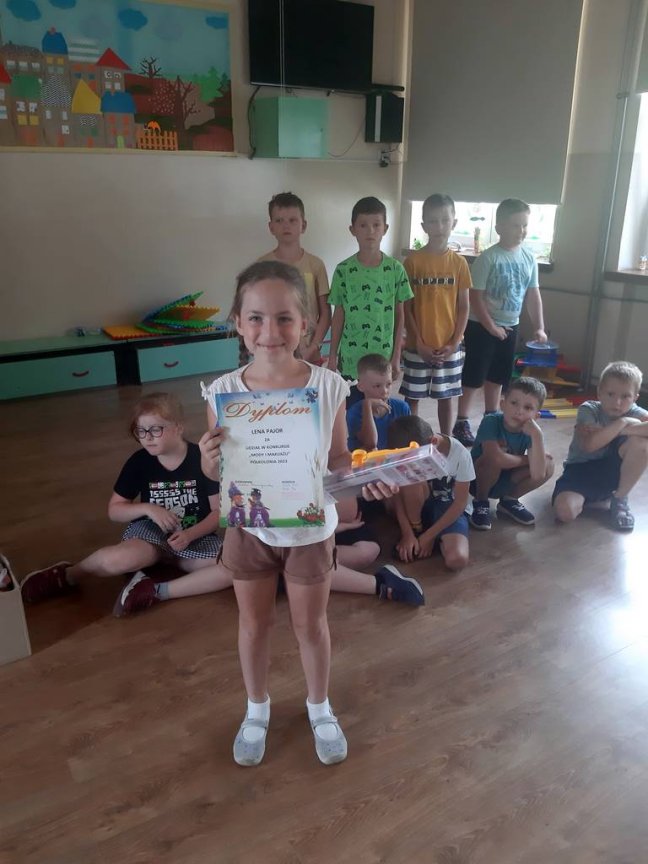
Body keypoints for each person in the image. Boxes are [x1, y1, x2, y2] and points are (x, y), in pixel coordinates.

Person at [199, 260, 398, 768]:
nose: (270, 331)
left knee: (311, 626)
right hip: (250, 528)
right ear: (238, 324)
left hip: (310, 529)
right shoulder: (222, 393)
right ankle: (256, 709)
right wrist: (208, 459)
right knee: (254, 624)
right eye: (256, 318)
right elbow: (215, 469)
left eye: (284, 318)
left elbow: (339, 457)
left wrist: (363, 477)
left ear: (305, 323)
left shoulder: (329, 387)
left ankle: (319, 706)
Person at [20, 393, 232, 613]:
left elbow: (219, 512)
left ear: (179, 427)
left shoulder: (203, 459)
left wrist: (190, 535)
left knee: (235, 566)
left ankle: (154, 591)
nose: (147, 437)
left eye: (155, 429)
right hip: (150, 535)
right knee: (121, 558)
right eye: (140, 431)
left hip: (194, 537)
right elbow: (115, 511)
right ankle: (68, 575)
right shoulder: (139, 462)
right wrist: (148, 508)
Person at [110, 495, 424, 616]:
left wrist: (338, 526)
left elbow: (344, 503)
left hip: (326, 524)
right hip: (288, 524)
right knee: (246, 566)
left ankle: (380, 582)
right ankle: (155, 590)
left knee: (363, 553)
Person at [453, 198, 547, 447]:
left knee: (498, 376)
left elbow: (533, 294)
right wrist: (491, 327)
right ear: (499, 228)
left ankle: (491, 418)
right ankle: (461, 421)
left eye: (524, 225)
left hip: (510, 326)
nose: (521, 230)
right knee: (474, 376)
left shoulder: (529, 258)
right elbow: (475, 296)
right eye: (515, 225)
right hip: (481, 326)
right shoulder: (489, 258)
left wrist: (539, 326)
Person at [327, 196, 413, 401]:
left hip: (382, 358)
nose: (370, 231)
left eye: (376, 225)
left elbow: (400, 315)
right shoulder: (343, 270)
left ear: (385, 228)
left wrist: (396, 356)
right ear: (353, 229)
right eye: (363, 225)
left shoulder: (395, 269)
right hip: (351, 359)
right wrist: (332, 355)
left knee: (379, 410)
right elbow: (339, 314)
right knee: (351, 410)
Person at [400, 194, 471, 435]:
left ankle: (446, 439)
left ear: (454, 223)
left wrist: (454, 342)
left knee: (446, 396)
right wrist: (418, 341)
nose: (439, 226)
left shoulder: (459, 264)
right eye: (432, 221)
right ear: (424, 226)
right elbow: (407, 307)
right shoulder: (412, 262)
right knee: (412, 397)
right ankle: (410, 439)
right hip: (417, 346)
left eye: (444, 220)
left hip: (449, 346)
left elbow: (464, 307)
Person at [553, 360, 648, 532]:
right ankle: (596, 496)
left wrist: (617, 430)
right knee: (565, 512)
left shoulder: (635, 411)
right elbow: (590, 446)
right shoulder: (589, 409)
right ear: (599, 392)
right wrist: (623, 422)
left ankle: (620, 498)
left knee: (642, 443)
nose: (617, 402)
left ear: (635, 398)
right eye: (610, 394)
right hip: (581, 470)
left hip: (613, 471)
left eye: (625, 396)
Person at [386, 415, 473, 570]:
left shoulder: (461, 455)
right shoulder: (406, 451)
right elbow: (398, 495)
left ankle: (429, 536)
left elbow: (460, 504)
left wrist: (428, 536)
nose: (411, 463)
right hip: (418, 505)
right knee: (409, 482)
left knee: (457, 559)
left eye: (414, 459)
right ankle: (416, 530)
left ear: (432, 442)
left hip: (448, 508)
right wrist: (407, 533)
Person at [469, 377, 554, 530]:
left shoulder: (532, 431)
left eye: (528, 408)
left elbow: (538, 474)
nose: (519, 411)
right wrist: (527, 459)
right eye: (514, 403)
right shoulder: (491, 421)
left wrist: (538, 435)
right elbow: (496, 458)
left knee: (549, 464)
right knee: (491, 460)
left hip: (507, 479)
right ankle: (481, 502)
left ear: (536, 416)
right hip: (477, 481)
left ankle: (509, 500)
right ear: (502, 404)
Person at [257, 191, 331, 364]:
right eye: (279, 221)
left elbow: (326, 312)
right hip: (274, 351)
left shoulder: (316, 265)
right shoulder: (262, 265)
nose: (286, 226)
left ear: (303, 225)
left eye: (292, 220)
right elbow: (257, 311)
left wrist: (314, 347)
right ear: (271, 227)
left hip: (309, 353)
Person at [346, 353, 410, 452]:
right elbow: (370, 444)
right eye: (377, 386)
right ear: (361, 387)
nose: (384, 391)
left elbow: (410, 443)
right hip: (366, 460)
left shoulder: (402, 408)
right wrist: (367, 405)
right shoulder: (354, 412)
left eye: (388, 384)